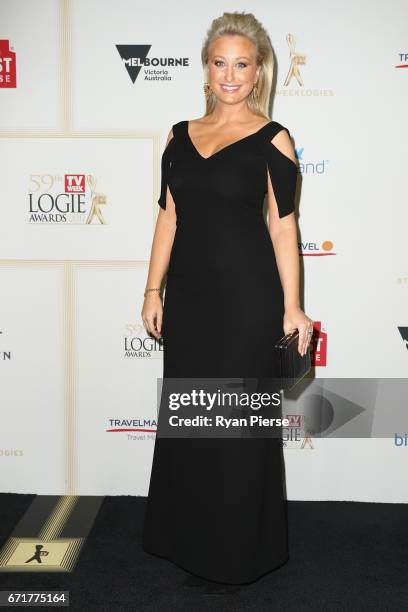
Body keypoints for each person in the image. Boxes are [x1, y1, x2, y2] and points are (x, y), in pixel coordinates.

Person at [141, 11, 313, 594]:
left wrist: (293, 307)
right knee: (192, 419)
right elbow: (168, 218)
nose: (231, 75)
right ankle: (191, 542)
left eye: (242, 64)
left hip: (246, 301)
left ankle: (240, 552)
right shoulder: (177, 135)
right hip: (188, 300)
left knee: (237, 425)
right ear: (206, 69)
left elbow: (284, 229)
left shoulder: (273, 137)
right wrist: (151, 289)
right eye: (220, 63)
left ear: (258, 69)